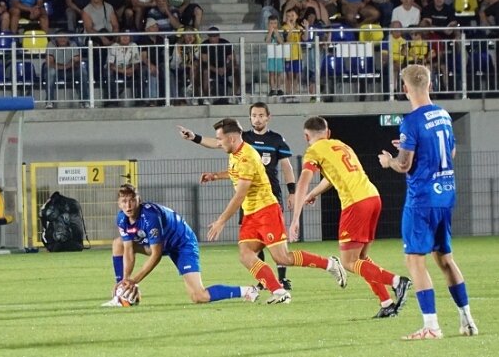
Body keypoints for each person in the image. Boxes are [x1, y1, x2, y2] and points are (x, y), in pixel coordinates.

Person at [198, 118, 347, 304]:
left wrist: (221, 221)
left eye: (220, 139)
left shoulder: (247, 157)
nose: (218, 143)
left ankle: (330, 264)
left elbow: (240, 195)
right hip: (251, 214)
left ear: (232, 139)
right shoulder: (235, 153)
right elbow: (236, 173)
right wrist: (215, 176)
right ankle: (278, 291)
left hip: (266, 210)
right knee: (245, 255)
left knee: (282, 258)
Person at [379, 64, 478, 339]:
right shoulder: (444, 115)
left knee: (414, 260)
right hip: (445, 194)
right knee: (445, 258)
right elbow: (451, 151)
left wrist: (390, 162)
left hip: (422, 198)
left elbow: (405, 165)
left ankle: (431, 326)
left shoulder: (411, 121)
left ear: (404, 89)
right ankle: (467, 320)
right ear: (430, 85)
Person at [289, 116, 412, 318]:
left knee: (348, 262)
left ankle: (397, 282)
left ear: (306, 136)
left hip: (356, 203)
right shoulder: (340, 145)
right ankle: (387, 303)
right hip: (373, 197)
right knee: (361, 258)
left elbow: (303, 182)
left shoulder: (313, 151)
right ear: (327, 133)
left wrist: (295, 218)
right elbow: (331, 177)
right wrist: (313, 194)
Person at [179, 102, 297, 289]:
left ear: (268, 117)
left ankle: (281, 279)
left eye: (260, 115)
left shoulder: (275, 140)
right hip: (249, 202)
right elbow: (218, 144)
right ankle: (268, 282)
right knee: (250, 247)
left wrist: (292, 191)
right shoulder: (243, 139)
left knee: (277, 248)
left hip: (269, 196)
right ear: (250, 118)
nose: (257, 118)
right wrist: (195, 138)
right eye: (254, 115)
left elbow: (286, 166)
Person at [107, 183, 260, 306]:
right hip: (163, 243)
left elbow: (156, 254)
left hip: (182, 244)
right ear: (119, 204)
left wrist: (135, 280)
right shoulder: (121, 219)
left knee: (199, 296)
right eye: (124, 201)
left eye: (132, 200)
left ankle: (247, 290)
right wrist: (126, 280)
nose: (128, 205)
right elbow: (128, 249)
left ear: (139, 199)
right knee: (119, 243)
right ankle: (121, 292)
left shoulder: (150, 217)